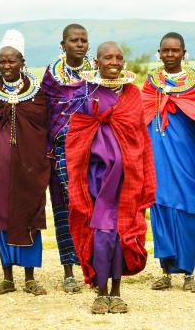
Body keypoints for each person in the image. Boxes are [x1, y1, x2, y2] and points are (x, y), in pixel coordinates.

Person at [66, 42, 156, 314]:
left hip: (126, 181)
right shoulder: (83, 93)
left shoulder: (132, 95)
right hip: (95, 178)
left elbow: (139, 137)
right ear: (97, 60)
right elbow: (77, 134)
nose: (114, 62)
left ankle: (116, 292)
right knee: (99, 233)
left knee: (120, 232)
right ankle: (100, 291)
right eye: (108, 57)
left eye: (119, 57)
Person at [0, 30, 49, 296]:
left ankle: (29, 278)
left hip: (28, 166)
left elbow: (42, 127)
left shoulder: (37, 91)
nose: (6, 66)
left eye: (11, 61)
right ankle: (7, 277)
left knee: (27, 211)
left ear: (22, 61)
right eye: (1, 61)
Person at [41, 24, 93, 293]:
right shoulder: (52, 75)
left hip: (95, 151)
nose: (80, 44)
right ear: (63, 45)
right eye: (74, 40)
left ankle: (93, 267)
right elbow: (44, 111)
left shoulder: (99, 72)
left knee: (93, 209)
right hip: (60, 151)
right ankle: (69, 271)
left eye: (84, 40)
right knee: (65, 210)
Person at [141, 32, 195, 292]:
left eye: (176, 51)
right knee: (160, 208)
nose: (170, 55)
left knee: (187, 210)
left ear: (184, 54)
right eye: (166, 50)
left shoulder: (194, 84)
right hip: (157, 153)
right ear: (159, 52)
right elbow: (140, 114)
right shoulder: (151, 84)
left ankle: (189, 273)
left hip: (186, 155)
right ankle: (166, 271)